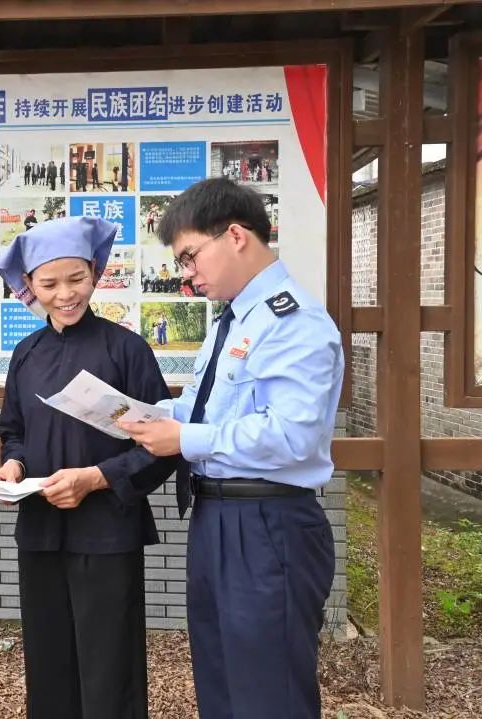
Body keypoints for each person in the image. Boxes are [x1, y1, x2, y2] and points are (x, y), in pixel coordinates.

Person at [118, 178, 343, 719]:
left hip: (269, 523)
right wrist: (136, 414)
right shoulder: (232, 323)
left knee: (268, 693)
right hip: (218, 515)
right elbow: (202, 410)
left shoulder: (295, 324)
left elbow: (293, 436)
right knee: (221, 681)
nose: (188, 274)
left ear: (236, 235)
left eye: (191, 256)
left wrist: (185, 439)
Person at [0, 216, 178, 719]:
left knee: (108, 662)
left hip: (107, 531)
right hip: (41, 529)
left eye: (76, 279)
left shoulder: (126, 349)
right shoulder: (26, 353)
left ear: (95, 273)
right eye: (49, 284)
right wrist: (13, 465)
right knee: (47, 659)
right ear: (28, 285)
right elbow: (14, 430)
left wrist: (96, 478)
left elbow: (163, 445)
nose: (65, 294)